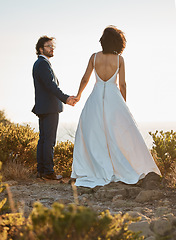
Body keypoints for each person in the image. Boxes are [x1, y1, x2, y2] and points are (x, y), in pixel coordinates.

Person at [71, 26, 161, 188]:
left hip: (96, 97)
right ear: (118, 43)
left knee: (93, 133)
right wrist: (123, 104)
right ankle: (125, 167)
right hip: (114, 98)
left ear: (103, 41)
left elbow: (85, 79)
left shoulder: (94, 57)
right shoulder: (119, 60)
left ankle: (93, 169)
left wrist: (78, 95)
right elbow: (123, 84)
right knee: (119, 134)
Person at [32, 36, 76, 180]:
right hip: (49, 107)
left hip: (43, 107)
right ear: (40, 49)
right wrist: (66, 98)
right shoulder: (43, 64)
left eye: (52, 46)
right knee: (49, 140)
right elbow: (51, 86)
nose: (52, 48)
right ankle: (48, 172)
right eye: (48, 46)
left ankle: (41, 170)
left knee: (43, 139)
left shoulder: (39, 63)